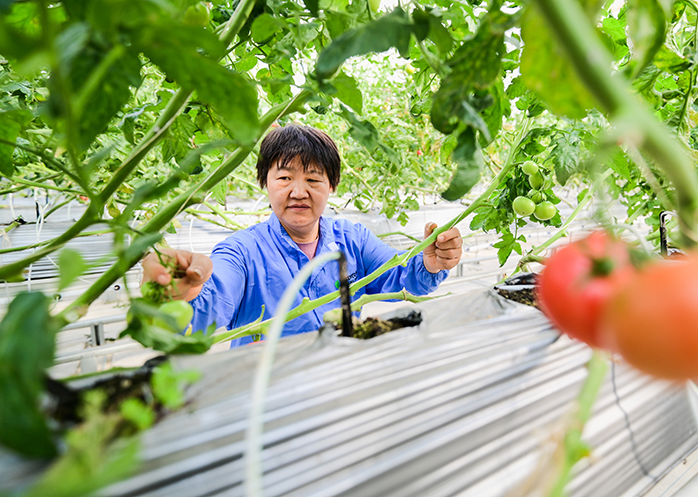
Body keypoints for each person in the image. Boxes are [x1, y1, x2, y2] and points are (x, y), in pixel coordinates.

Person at [141, 124, 463, 347]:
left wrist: (430, 263)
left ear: (332, 186)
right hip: (266, 401)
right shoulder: (242, 252)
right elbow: (208, 305)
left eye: (313, 179)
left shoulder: (354, 240)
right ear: (265, 183)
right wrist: (174, 294)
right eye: (284, 177)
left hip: (340, 383)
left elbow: (404, 280)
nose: (298, 192)